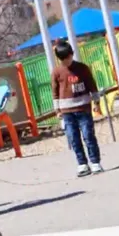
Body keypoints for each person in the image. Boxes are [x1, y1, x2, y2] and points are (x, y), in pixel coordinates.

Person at [51, 40, 104, 176]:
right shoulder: (56, 72)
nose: (66, 62)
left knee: (88, 135)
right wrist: (57, 110)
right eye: (62, 60)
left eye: (67, 58)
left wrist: (96, 101)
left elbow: (92, 85)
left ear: (72, 54)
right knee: (73, 138)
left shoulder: (82, 68)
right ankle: (82, 164)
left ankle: (95, 162)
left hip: (83, 108)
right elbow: (55, 92)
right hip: (66, 111)